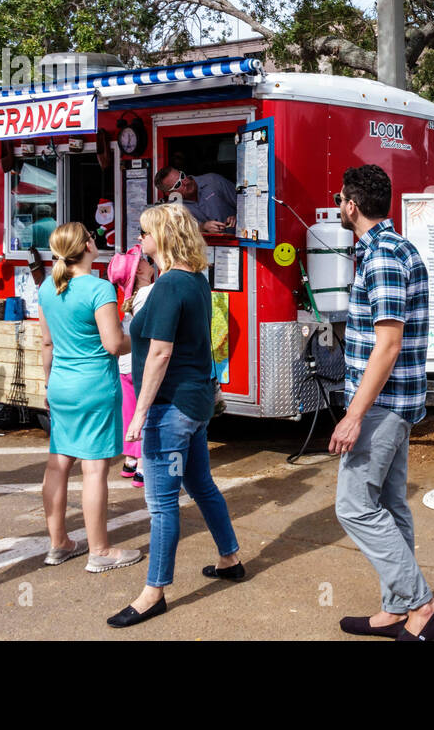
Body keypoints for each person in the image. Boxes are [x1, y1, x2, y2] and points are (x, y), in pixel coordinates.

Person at [108, 202, 241, 628]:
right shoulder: (194, 278)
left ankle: (154, 592)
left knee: (162, 504)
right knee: (201, 483)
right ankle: (229, 558)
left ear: (162, 237)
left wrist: (139, 413)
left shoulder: (168, 286)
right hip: (195, 402)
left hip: (171, 405)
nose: (140, 241)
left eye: (145, 233)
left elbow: (161, 353)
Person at [330, 164, 434, 641]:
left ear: (352, 205)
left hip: (380, 406)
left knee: (354, 506)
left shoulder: (381, 258)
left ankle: (422, 604)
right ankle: (397, 606)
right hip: (396, 403)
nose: (339, 207)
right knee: (390, 504)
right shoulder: (397, 248)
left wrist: (353, 416)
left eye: (340, 199)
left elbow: (388, 345)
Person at [37, 222, 141, 574]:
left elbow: (47, 343)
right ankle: (100, 550)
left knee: (58, 464)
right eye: (92, 238)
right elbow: (114, 344)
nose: (96, 241)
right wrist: (141, 338)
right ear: (85, 246)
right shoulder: (99, 289)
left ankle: (59, 544)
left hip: (61, 385)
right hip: (94, 385)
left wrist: (48, 384)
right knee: (94, 469)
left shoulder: (47, 288)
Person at [108, 244, 156, 488]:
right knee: (144, 413)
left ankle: (129, 459)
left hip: (124, 364)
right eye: (145, 261)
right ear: (139, 271)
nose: (149, 262)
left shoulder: (125, 298)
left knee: (129, 411)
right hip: (141, 365)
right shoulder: (149, 293)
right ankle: (142, 466)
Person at [154, 165, 237, 234]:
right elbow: (178, 232)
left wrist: (238, 217)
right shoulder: (173, 208)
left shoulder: (213, 181)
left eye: (182, 176)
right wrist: (203, 227)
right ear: (170, 193)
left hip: (240, 242)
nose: (185, 182)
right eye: (178, 184)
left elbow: (245, 202)